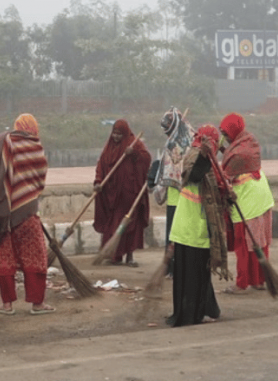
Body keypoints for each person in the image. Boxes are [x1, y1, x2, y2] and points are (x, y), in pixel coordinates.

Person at [0, 113, 54, 316]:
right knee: (35, 254)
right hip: (26, 213)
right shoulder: (36, 149)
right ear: (34, 129)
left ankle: (7, 305)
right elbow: (39, 179)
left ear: (17, 126)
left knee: (4, 255)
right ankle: (37, 304)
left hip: (1, 211)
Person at [167, 124, 232, 327]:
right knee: (191, 274)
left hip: (198, 225)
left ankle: (208, 309)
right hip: (191, 225)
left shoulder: (212, 162)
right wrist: (204, 155)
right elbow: (191, 175)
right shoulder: (194, 155)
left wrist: (228, 194)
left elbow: (218, 188)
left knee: (199, 273)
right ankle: (190, 314)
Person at [219, 112, 275, 293]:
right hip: (262, 195)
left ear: (234, 132)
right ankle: (258, 280)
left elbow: (224, 175)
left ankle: (241, 283)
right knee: (259, 242)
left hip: (248, 199)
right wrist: (225, 150)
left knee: (242, 244)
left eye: (226, 134)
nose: (225, 138)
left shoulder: (236, 155)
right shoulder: (249, 141)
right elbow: (232, 156)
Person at [92, 119, 151, 266]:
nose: (116, 137)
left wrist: (134, 153)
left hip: (128, 193)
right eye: (114, 133)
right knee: (112, 224)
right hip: (111, 194)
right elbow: (102, 164)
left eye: (119, 134)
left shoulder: (133, 143)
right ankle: (113, 256)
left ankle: (129, 256)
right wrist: (98, 181)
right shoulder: (109, 147)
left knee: (128, 225)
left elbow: (146, 158)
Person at [157, 107, 195, 277]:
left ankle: (175, 268)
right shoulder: (188, 138)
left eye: (167, 128)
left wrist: (160, 189)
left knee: (177, 235)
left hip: (181, 198)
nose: (166, 132)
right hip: (181, 197)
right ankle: (175, 267)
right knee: (177, 234)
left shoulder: (177, 144)